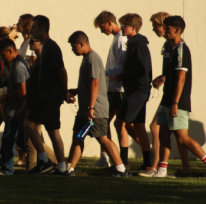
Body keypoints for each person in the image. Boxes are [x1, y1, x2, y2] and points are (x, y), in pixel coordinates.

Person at [152, 16, 206, 178]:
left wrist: (175, 102)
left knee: (182, 138)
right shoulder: (170, 48)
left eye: (167, 29)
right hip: (166, 99)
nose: (165, 31)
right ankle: (162, 169)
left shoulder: (182, 50)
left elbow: (181, 78)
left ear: (177, 30)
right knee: (163, 133)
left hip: (178, 101)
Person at [65, 31, 128, 177]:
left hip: (95, 110)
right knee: (77, 138)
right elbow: (88, 84)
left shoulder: (92, 58)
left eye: (74, 47)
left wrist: (91, 107)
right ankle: (70, 169)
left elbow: (95, 83)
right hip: (85, 110)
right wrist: (76, 90)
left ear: (82, 44)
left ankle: (121, 169)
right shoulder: (86, 58)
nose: (73, 50)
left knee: (103, 138)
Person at [140, 12, 192, 177]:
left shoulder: (176, 46)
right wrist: (162, 78)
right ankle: (185, 169)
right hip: (168, 95)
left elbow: (180, 74)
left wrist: (174, 98)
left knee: (158, 128)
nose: (155, 29)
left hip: (174, 98)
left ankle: (156, 166)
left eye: (157, 25)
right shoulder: (169, 45)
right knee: (177, 135)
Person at [92, 11, 139, 168]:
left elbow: (124, 64)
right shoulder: (116, 39)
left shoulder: (121, 39)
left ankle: (145, 152)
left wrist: (107, 73)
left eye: (102, 27)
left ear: (109, 23)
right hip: (112, 88)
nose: (102, 31)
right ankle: (106, 157)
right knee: (109, 122)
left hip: (118, 89)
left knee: (117, 123)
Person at [24, 15, 68, 175]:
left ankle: (43, 160)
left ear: (42, 28)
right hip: (51, 97)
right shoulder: (46, 49)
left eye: (34, 27)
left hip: (49, 97)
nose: (31, 30)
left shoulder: (51, 47)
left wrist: (66, 92)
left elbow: (62, 71)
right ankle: (62, 168)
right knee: (53, 132)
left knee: (28, 125)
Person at [112, 13, 153, 172]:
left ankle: (123, 164)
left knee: (119, 123)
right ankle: (147, 163)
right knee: (139, 126)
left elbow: (141, 69)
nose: (121, 28)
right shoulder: (134, 43)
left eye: (124, 26)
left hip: (137, 91)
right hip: (137, 90)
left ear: (133, 27)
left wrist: (122, 76)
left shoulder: (138, 45)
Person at [16, 38, 58, 171]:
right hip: (35, 102)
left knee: (31, 136)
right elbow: (32, 87)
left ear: (41, 43)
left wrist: (65, 93)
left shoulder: (44, 60)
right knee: (33, 137)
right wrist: (25, 106)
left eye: (34, 40)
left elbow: (60, 73)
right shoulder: (37, 62)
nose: (31, 42)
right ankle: (56, 163)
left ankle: (39, 165)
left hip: (41, 102)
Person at [0, 38, 29, 175]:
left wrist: (6, 97)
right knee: (22, 140)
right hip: (16, 109)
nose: (2, 58)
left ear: (10, 51)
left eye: (3, 55)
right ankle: (46, 160)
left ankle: (6, 169)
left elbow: (22, 91)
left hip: (16, 110)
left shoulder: (19, 66)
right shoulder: (18, 63)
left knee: (8, 139)